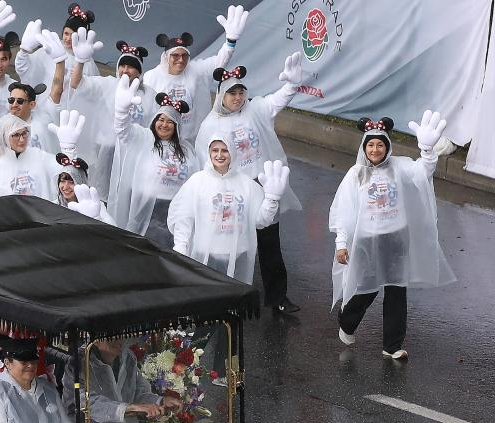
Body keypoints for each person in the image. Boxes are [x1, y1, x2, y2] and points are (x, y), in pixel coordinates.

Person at [331, 112, 455, 360]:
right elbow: (343, 211)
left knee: (397, 290)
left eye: (380, 144)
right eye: (370, 145)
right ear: (364, 148)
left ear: (387, 147)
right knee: (368, 288)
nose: (375, 149)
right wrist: (341, 243)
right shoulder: (356, 174)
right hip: (368, 241)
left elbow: (423, 172)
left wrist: (428, 151)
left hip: (396, 238)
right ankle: (347, 321)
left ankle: (392, 345)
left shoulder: (400, 167)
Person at [194, 55, 304, 315]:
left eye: (240, 92)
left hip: (262, 186)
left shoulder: (255, 110)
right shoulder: (210, 125)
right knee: (232, 244)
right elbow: (204, 163)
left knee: (269, 243)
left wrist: (291, 85)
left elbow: (277, 102)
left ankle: (278, 297)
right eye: (231, 93)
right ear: (221, 95)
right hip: (232, 191)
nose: (237, 98)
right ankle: (229, 296)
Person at [167, 136, 288, 285]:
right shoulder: (197, 181)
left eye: (225, 150)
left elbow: (260, 221)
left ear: (232, 153)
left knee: (231, 299)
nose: (219, 155)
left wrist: (271, 199)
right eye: (215, 150)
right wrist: (181, 246)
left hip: (237, 253)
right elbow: (184, 216)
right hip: (204, 252)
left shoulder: (247, 184)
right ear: (209, 152)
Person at [61, 338, 180, 423]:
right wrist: (129, 408)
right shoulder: (78, 363)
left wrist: (161, 401)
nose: (119, 340)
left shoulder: (128, 357)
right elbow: (88, 403)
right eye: (110, 337)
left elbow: (139, 393)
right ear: (95, 338)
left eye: (119, 335)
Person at [141, 6, 248, 144]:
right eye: (175, 55)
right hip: (163, 140)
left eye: (184, 56)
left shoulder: (197, 71)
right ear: (166, 57)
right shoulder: (152, 77)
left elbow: (219, 62)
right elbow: (147, 111)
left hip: (195, 141)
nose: (181, 60)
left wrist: (230, 42)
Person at [109, 79, 197, 244]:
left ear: (177, 126)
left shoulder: (187, 150)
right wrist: (122, 111)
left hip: (172, 209)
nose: (164, 125)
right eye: (161, 119)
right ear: (154, 120)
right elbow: (122, 130)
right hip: (144, 207)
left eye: (170, 121)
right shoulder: (143, 138)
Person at [67, 34, 155, 197]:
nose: (125, 70)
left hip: (133, 154)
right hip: (105, 153)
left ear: (140, 72)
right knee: (100, 193)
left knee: (125, 195)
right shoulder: (107, 84)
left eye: (131, 67)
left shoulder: (149, 95)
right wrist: (79, 61)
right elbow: (76, 84)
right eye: (122, 66)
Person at [0, 111, 84, 201]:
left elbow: (67, 171)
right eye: (16, 135)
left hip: (41, 219)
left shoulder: (39, 157)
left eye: (24, 133)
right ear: (5, 137)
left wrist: (68, 149)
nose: (22, 139)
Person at [13, 5, 99, 102]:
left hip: (71, 113)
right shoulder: (51, 49)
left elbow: (92, 93)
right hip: (43, 108)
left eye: (74, 36)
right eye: (66, 33)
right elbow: (24, 69)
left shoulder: (87, 62)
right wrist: (24, 51)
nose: (68, 39)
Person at [0, 81, 58, 157]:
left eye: (20, 101)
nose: (14, 105)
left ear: (32, 104)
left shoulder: (41, 130)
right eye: (11, 100)